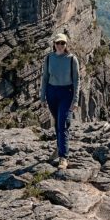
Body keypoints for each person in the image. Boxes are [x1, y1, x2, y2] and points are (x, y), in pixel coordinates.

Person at [40, 32, 80, 170]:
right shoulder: (49, 58)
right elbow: (45, 77)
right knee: (58, 122)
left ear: (66, 44)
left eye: (63, 43)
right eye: (58, 43)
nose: (60, 45)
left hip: (66, 93)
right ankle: (59, 148)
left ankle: (64, 157)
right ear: (54, 44)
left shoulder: (71, 59)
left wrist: (75, 100)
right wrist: (42, 96)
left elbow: (76, 80)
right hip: (52, 93)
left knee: (62, 124)